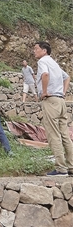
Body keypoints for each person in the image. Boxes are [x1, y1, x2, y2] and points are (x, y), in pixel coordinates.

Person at [33, 41, 73, 177]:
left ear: (44, 51)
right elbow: (67, 77)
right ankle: (71, 166)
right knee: (65, 135)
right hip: (61, 101)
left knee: (53, 134)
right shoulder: (54, 63)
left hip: (50, 101)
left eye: (36, 48)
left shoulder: (42, 61)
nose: (34, 51)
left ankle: (61, 168)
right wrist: (63, 92)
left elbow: (45, 75)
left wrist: (44, 92)